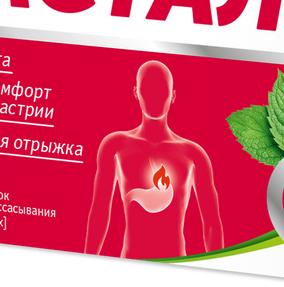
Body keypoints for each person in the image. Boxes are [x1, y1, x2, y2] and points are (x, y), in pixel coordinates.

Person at [85, 60, 224, 259]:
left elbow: (211, 223)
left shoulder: (194, 154)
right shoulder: (115, 145)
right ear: (136, 92)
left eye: (161, 91)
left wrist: (216, 268)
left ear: (173, 96)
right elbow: (99, 212)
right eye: (148, 89)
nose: (155, 97)